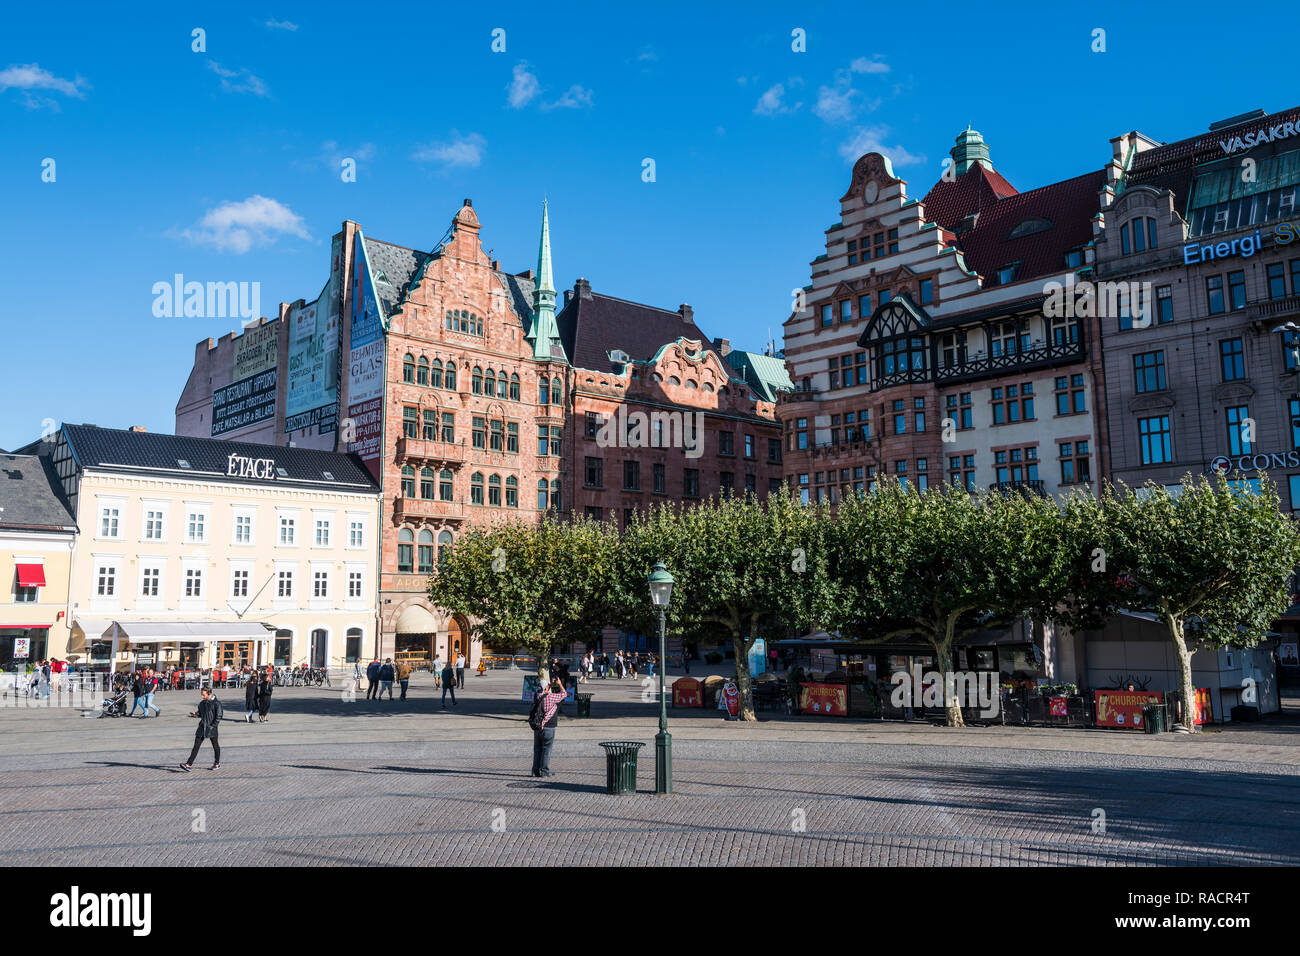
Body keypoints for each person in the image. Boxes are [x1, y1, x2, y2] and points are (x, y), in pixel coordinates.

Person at [530, 677, 568, 777]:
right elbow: (564, 694)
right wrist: (559, 684)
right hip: (549, 726)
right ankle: (544, 771)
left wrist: (549, 685)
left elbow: (543, 690)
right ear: (546, 688)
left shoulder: (536, 696)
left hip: (537, 726)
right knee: (547, 749)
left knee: (537, 749)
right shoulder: (550, 697)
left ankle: (535, 771)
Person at [180, 687, 223, 771]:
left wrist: (213, 726)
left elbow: (219, 716)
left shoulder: (216, 703)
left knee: (215, 746)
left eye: (204, 695)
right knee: (196, 746)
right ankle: (188, 764)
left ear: (209, 694)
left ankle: (217, 763)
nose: (202, 697)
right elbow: (200, 713)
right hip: (202, 727)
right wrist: (195, 714)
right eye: (202, 695)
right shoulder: (202, 703)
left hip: (211, 728)